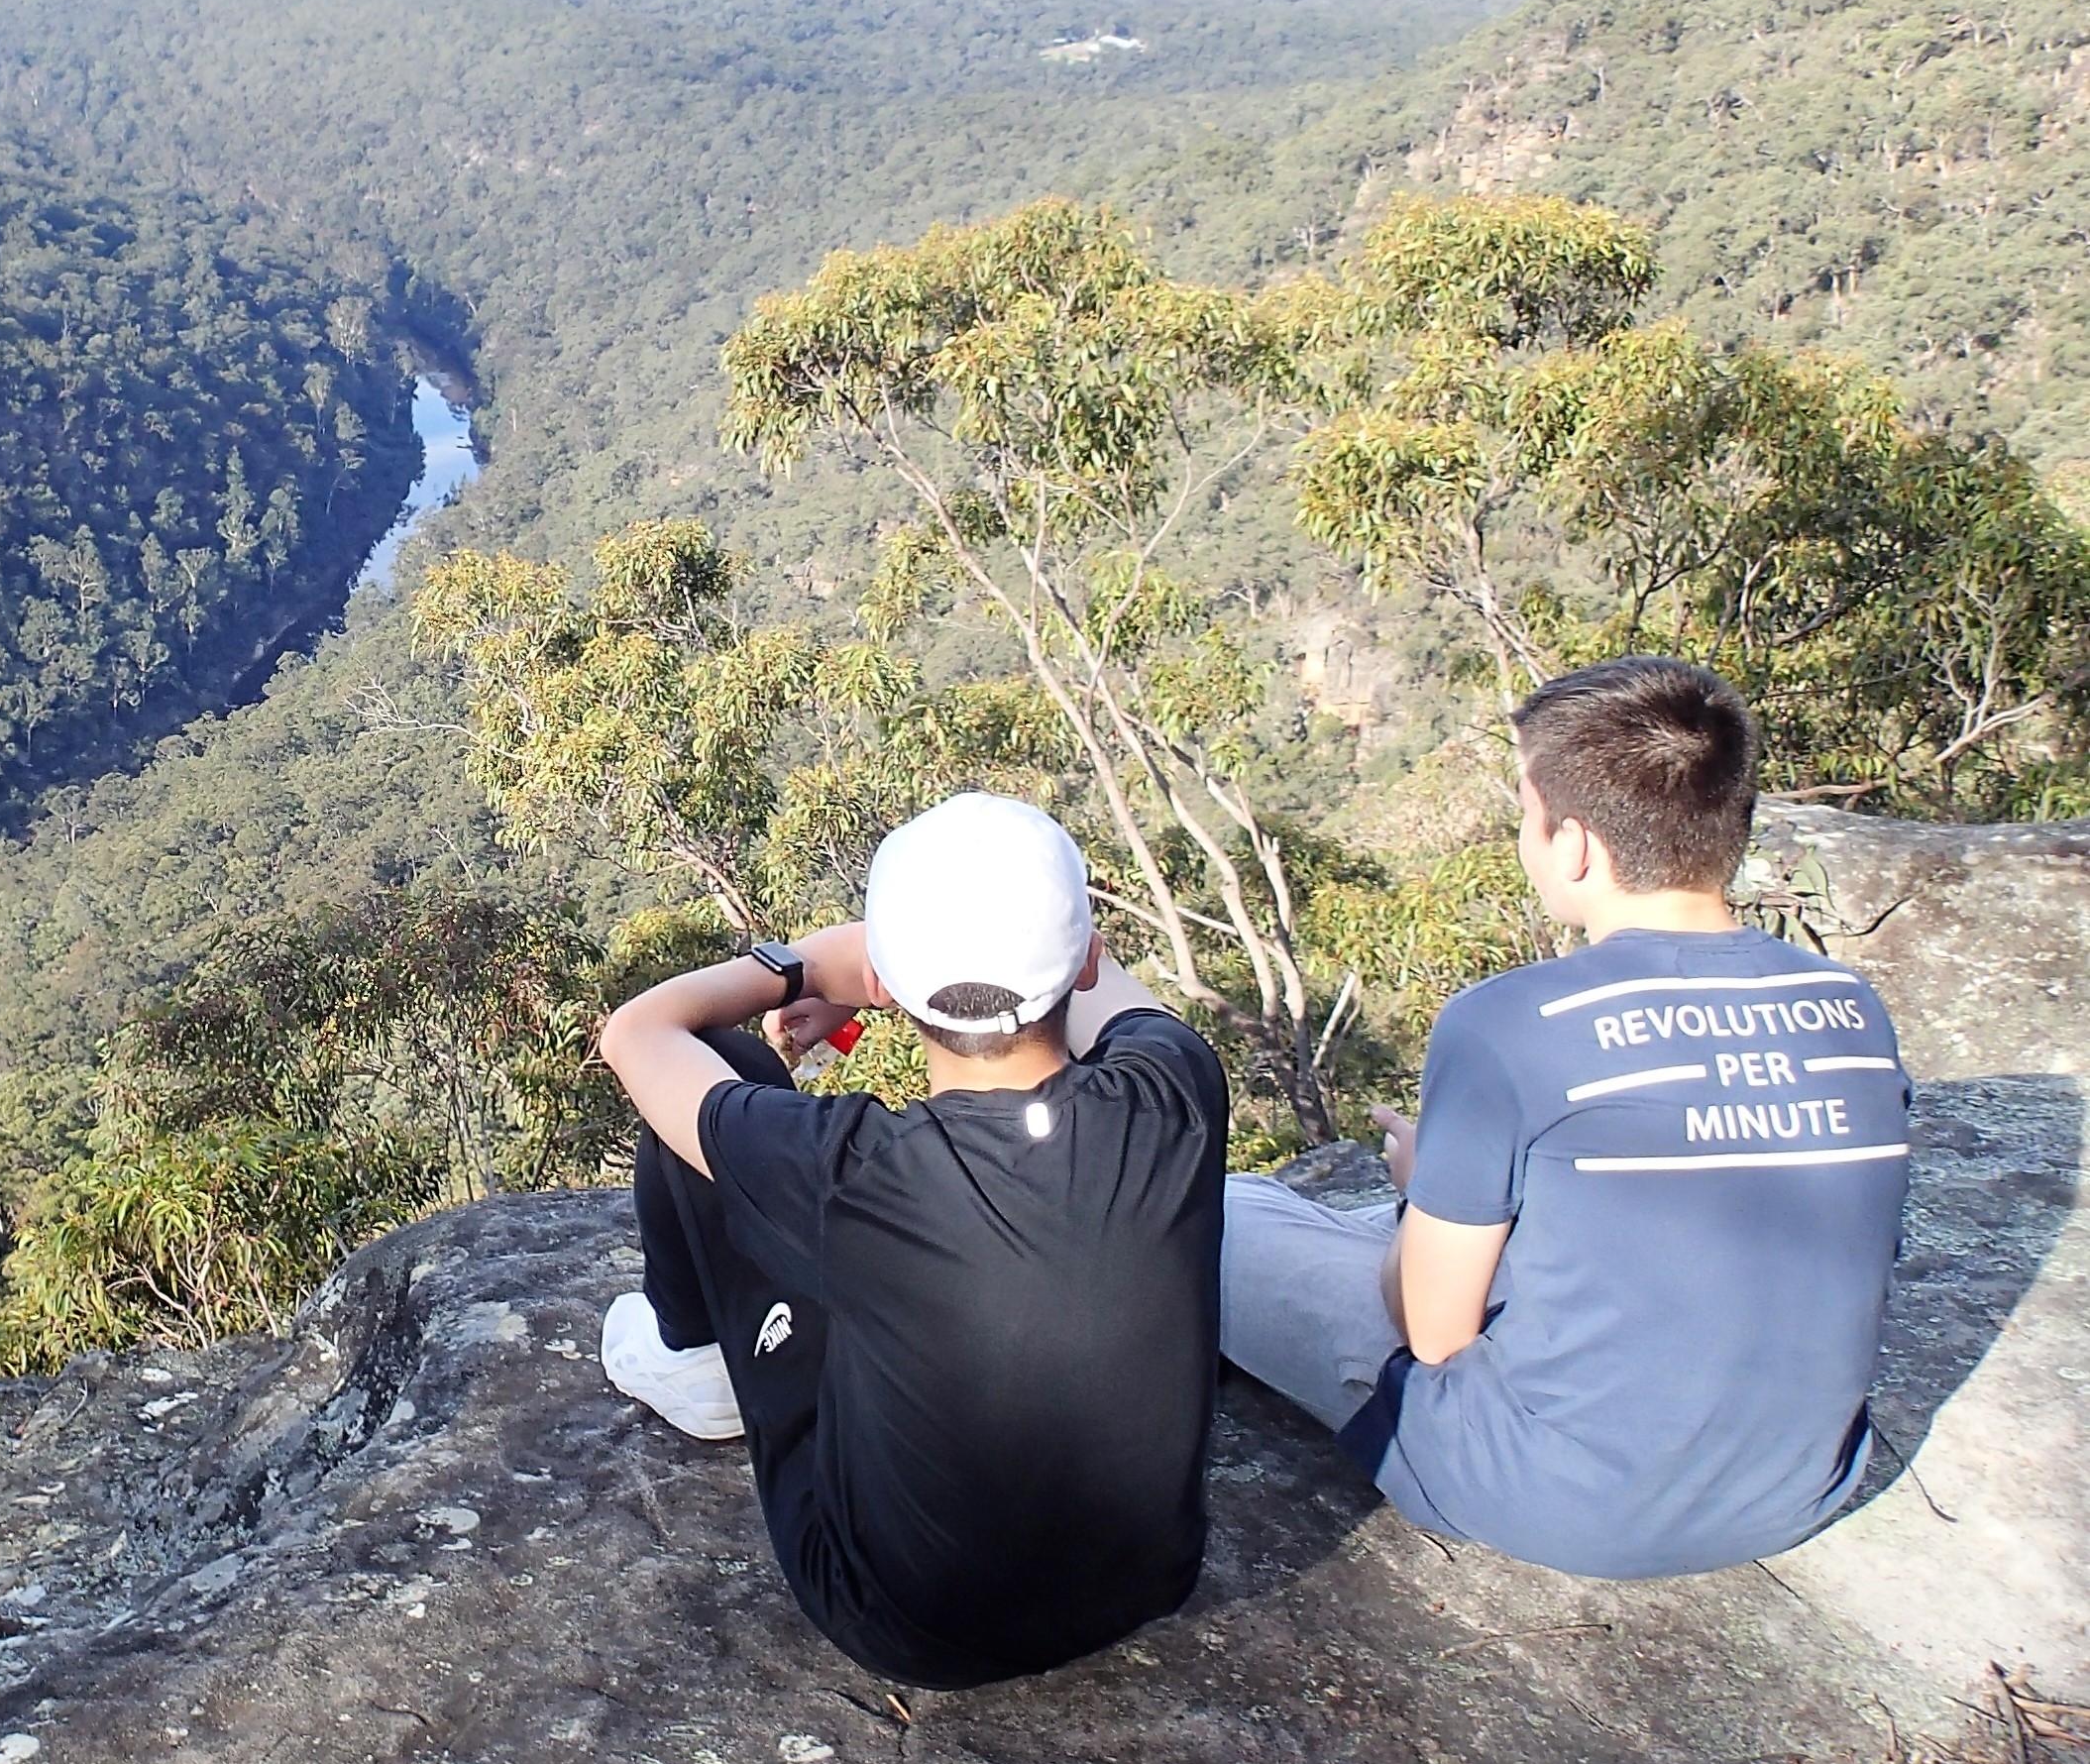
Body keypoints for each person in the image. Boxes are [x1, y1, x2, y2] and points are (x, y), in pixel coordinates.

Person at [1220, 657, 1909, 1577]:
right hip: (1795, 1489)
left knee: (1221, 1216)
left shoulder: (1510, 1023)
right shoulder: (1850, 1007)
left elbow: (1432, 1332)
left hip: (1555, 1499)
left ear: (1575, 845)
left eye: (1523, 813)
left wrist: (1426, 1189)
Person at [594, 791, 1229, 1690]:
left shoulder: (855, 1175)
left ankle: (695, 1360)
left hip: (906, 1623)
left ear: (885, 987)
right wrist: (875, 969)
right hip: (1145, 1583)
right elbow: (1098, 985)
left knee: (729, 1067)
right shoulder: (1173, 1093)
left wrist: (794, 971)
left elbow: (641, 1033)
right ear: (1085, 956)